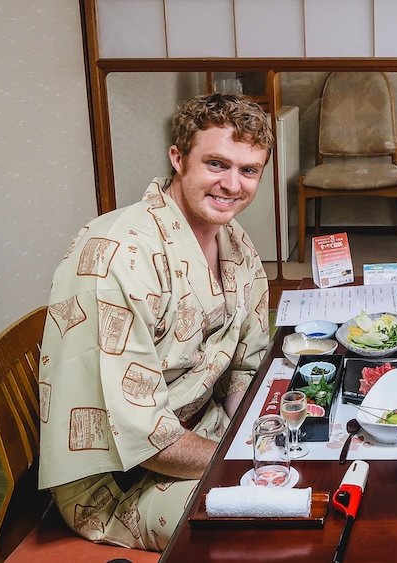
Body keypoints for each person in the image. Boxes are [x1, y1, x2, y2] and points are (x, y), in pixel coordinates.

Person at [38, 93, 275, 551]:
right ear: (178, 158)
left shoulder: (234, 238)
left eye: (248, 171)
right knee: (271, 528)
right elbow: (142, 435)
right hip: (121, 478)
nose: (232, 185)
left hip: (201, 428)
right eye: (216, 164)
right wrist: (243, 459)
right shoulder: (118, 255)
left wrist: (261, 436)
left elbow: (247, 361)